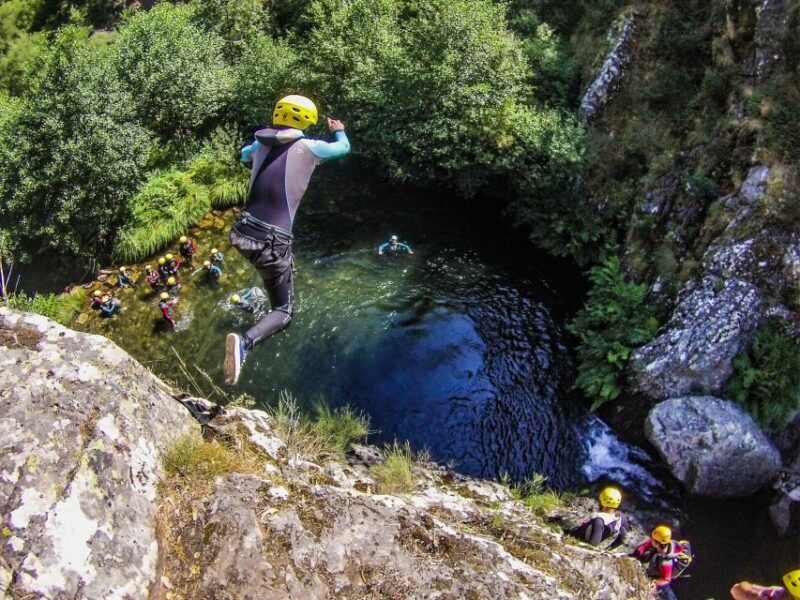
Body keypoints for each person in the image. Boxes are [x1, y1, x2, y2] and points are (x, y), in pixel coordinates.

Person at [223, 94, 350, 385]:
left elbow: (244, 155)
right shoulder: (310, 147)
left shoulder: (260, 144)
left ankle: (277, 274)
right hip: (272, 240)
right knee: (284, 311)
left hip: (242, 232)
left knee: (274, 268)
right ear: (307, 120)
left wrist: (254, 153)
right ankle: (244, 343)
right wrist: (339, 130)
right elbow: (343, 148)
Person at [631, 526, 692, 599]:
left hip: (664, 573)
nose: (651, 540)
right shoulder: (662, 543)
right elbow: (647, 544)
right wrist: (636, 554)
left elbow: (666, 579)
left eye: (653, 540)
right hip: (659, 558)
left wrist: (655, 583)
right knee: (648, 554)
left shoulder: (665, 563)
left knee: (663, 588)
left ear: (657, 543)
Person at [731, 571, 800, 599]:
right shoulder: (776, 593)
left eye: (790, 597)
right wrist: (756, 596)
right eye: (786, 592)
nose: (784, 597)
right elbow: (736, 588)